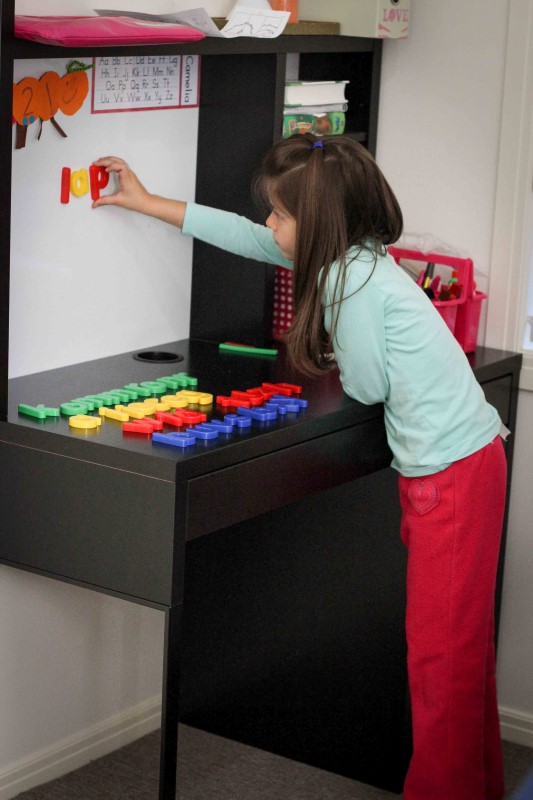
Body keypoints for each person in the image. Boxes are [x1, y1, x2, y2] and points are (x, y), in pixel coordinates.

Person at [92, 134, 508, 800]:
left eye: (280, 216)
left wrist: (331, 353)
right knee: (460, 658)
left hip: (449, 480)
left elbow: (369, 385)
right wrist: (145, 202)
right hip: (469, 462)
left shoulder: (350, 282)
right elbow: (242, 236)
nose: (269, 227)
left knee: (440, 667)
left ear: (312, 223)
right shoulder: (355, 255)